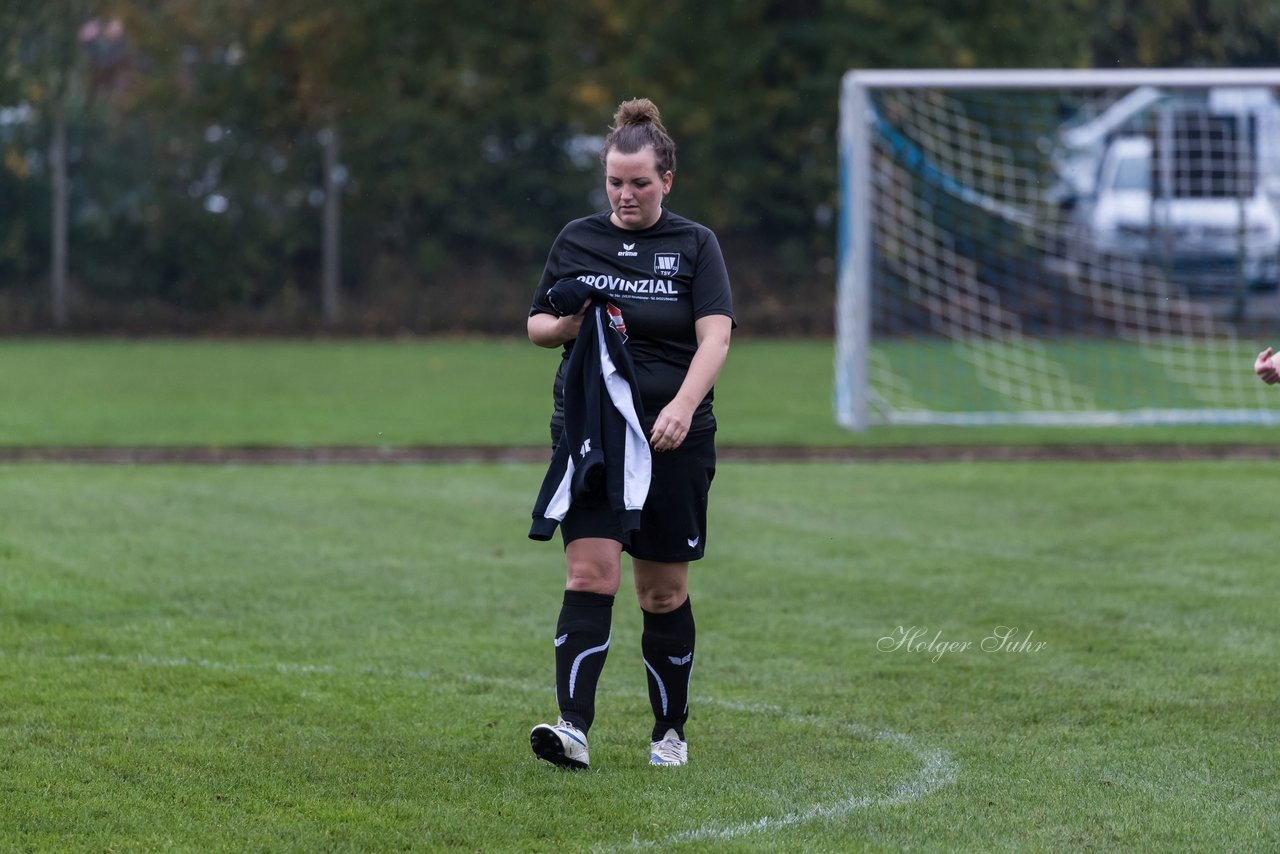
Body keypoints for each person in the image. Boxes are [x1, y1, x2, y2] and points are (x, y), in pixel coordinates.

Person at [525, 98, 735, 770]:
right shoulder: (577, 238)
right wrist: (568, 324)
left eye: (639, 182)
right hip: (594, 434)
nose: (625, 195)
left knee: (662, 590)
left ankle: (669, 731)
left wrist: (681, 405)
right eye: (615, 182)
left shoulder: (695, 245)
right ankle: (573, 729)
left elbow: (716, 335)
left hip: (676, 436)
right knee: (590, 574)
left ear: (666, 180)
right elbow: (536, 325)